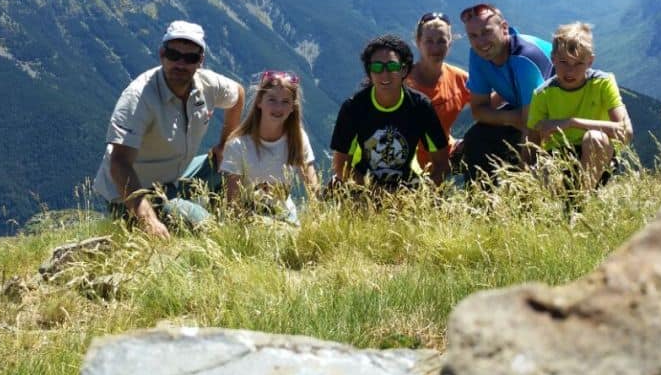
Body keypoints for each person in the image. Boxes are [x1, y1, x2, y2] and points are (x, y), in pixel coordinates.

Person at [92, 20, 245, 239]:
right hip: (133, 193)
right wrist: (148, 220)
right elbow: (119, 163)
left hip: (175, 176)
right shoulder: (138, 98)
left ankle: (235, 220)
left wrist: (225, 145)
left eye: (190, 58)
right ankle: (211, 229)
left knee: (235, 161)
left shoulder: (207, 85)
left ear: (200, 61)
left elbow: (238, 94)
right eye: (174, 55)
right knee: (205, 227)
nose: (180, 64)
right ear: (162, 53)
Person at [330, 34, 450, 189]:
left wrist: (421, 196)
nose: (384, 74)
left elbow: (441, 166)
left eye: (392, 67)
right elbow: (341, 167)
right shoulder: (353, 108)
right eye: (377, 67)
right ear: (369, 72)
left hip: (407, 189)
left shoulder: (420, 107)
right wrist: (372, 193)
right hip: (362, 188)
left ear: (404, 70)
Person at [527, 22, 633, 189]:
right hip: (557, 159)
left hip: (597, 159)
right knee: (538, 169)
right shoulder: (542, 94)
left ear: (590, 61)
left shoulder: (603, 82)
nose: (570, 71)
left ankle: (579, 201)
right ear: (553, 59)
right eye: (563, 62)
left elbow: (626, 132)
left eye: (578, 64)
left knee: (595, 138)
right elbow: (531, 146)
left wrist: (572, 122)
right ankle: (568, 202)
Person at [457, 3, 553, 182]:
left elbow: (531, 125)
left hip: (561, 112)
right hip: (523, 109)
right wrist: (512, 117)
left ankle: (526, 193)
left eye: (486, 32)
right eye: (473, 36)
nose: (481, 42)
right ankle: (482, 202)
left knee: (530, 159)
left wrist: (525, 175)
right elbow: (478, 110)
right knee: (475, 140)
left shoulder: (525, 58)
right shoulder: (477, 56)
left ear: (504, 28)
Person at [219, 70, 319, 223]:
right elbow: (233, 204)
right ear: (259, 102)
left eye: (285, 101)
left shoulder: (298, 138)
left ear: (293, 107)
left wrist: (320, 219)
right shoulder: (238, 145)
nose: (278, 107)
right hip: (248, 218)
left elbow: (313, 188)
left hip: (284, 215)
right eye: (272, 99)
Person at [405, 12, 471, 169]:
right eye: (429, 41)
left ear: (450, 43)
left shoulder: (460, 79)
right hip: (407, 163)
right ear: (418, 42)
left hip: (444, 159)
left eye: (441, 41)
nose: (435, 48)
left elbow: (489, 102)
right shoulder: (402, 81)